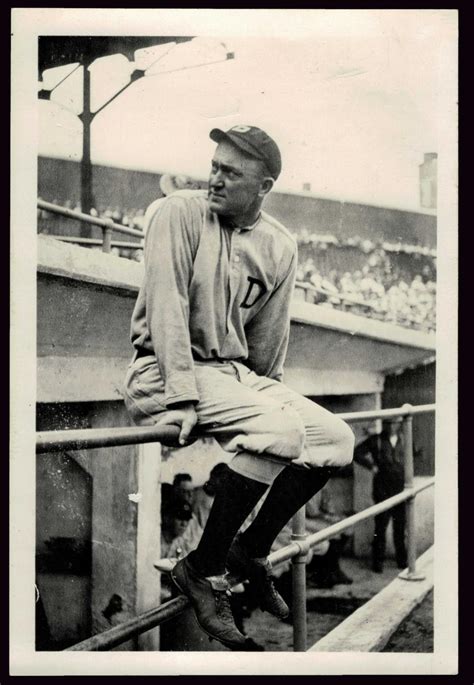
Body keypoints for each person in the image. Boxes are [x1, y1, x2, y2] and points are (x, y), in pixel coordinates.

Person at [123, 124, 354, 651]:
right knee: (279, 428)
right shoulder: (177, 212)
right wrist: (182, 396)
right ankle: (201, 570)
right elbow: (166, 308)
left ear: (264, 186)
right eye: (215, 166)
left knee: (334, 439)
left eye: (232, 172)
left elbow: (268, 345)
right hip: (161, 366)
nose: (216, 178)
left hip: (230, 374)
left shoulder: (279, 244)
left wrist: (260, 403)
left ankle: (249, 547)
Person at [353, 417, 408, 573]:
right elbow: (357, 453)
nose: (391, 427)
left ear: (398, 425)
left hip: (400, 488)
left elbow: (414, 453)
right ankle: (377, 564)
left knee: (400, 527)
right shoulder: (376, 440)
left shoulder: (404, 439)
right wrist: (372, 466)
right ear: (384, 424)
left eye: (395, 423)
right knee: (381, 527)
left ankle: (402, 562)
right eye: (388, 423)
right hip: (382, 489)